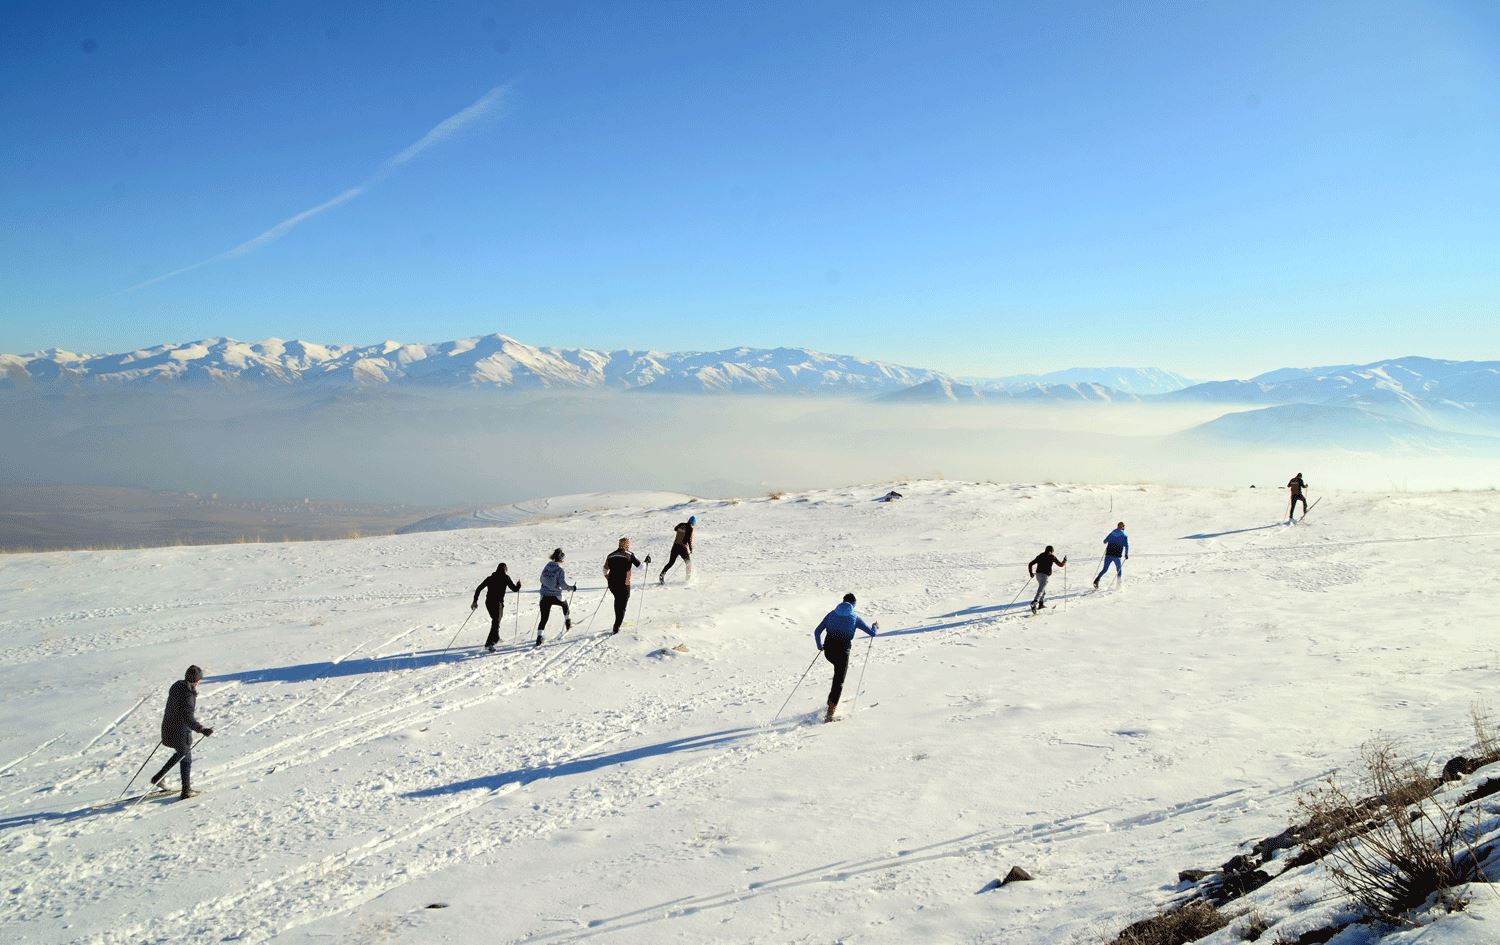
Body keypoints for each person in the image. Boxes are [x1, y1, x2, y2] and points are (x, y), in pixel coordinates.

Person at [149, 664, 213, 799]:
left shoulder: (177, 686)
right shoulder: (188, 695)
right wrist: (201, 729)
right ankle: (186, 790)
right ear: (196, 681)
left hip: (168, 727)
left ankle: (159, 777)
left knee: (181, 753)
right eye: (199, 680)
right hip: (180, 732)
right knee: (186, 758)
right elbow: (187, 716)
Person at [813, 593, 878, 723]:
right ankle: (830, 713)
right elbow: (872, 634)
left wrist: (820, 646)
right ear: (854, 604)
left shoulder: (831, 614)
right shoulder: (855, 617)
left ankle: (831, 701)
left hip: (829, 652)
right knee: (839, 680)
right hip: (842, 652)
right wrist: (875, 626)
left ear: (842, 602)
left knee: (837, 674)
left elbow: (817, 631)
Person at [603, 538, 649, 634]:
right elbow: (641, 568)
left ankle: (617, 622)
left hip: (612, 584)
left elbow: (604, 570)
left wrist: (608, 579)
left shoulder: (610, 555)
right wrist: (646, 561)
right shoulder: (629, 555)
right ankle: (617, 626)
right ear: (627, 545)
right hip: (624, 584)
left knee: (617, 600)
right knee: (622, 605)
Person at [471, 562, 521, 651]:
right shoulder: (506, 578)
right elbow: (514, 589)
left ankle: (496, 637)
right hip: (497, 603)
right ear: (505, 570)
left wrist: (475, 601)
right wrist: (518, 585)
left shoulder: (490, 578)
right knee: (496, 621)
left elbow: (479, 588)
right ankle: (489, 644)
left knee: (497, 620)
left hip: (489, 602)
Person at [536, 549, 576, 647]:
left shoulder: (546, 567)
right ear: (561, 559)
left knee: (544, 618)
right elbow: (562, 585)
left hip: (544, 596)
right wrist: (571, 588)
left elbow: (541, 579)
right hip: (556, 595)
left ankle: (539, 637)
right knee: (565, 605)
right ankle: (567, 622)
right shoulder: (559, 570)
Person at [1028, 545, 1067, 614]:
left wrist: (1031, 573)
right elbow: (1060, 565)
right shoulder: (1051, 556)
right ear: (1051, 551)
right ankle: (1034, 602)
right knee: (1041, 590)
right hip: (1044, 576)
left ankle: (1040, 604)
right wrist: (1064, 561)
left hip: (1038, 575)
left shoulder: (1040, 555)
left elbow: (1030, 564)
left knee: (1043, 591)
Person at [658, 515, 696, 584]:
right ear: (693, 523)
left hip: (675, 546)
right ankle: (688, 580)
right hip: (682, 548)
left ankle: (661, 575)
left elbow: (675, 529)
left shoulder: (681, 524)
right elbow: (689, 539)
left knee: (671, 563)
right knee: (688, 564)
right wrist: (691, 549)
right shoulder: (690, 528)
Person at [1093, 522, 1129, 589]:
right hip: (1117, 556)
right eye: (1124, 526)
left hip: (1108, 555)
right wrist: (1126, 554)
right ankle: (1118, 586)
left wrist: (1110, 540)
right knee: (1119, 570)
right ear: (1122, 527)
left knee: (1105, 569)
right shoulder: (1124, 536)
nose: (1124, 527)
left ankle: (1097, 579)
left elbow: (1104, 541)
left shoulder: (1112, 533)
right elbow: (1127, 546)